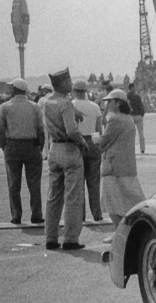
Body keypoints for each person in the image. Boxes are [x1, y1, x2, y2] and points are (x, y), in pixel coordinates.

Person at [42, 68, 91, 251]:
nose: (70, 84)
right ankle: (70, 238)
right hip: (69, 148)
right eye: (68, 82)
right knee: (73, 197)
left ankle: (51, 237)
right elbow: (71, 130)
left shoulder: (46, 101)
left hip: (54, 148)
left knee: (53, 197)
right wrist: (82, 143)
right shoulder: (66, 104)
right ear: (62, 84)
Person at [97, 89, 145, 243]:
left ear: (118, 103)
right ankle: (123, 232)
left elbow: (104, 142)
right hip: (126, 166)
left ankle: (119, 232)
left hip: (114, 166)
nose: (107, 104)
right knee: (127, 201)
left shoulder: (115, 120)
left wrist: (93, 141)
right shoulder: (128, 118)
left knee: (112, 203)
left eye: (110, 102)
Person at [0, 78, 45, 224]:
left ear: (15, 89)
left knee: (13, 183)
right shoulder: (34, 106)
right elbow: (40, 130)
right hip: (31, 146)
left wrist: (4, 146)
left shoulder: (5, 107)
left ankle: (16, 215)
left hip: (12, 145)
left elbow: (1, 130)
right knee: (34, 183)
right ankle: (36, 214)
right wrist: (40, 146)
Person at [72, 80, 103, 222]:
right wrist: (97, 146)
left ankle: (81, 215)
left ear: (74, 91)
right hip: (92, 141)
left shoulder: (71, 106)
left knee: (79, 183)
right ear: (85, 91)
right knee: (94, 182)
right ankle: (97, 213)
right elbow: (98, 130)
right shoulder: (95, 106)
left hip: (77, 143)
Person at [127, 83, 146, 154]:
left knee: (130, 134)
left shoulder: (126, 96)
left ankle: (130, 148)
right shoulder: (137, 96)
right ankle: (142, 148)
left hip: (130, 116)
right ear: (132, 88)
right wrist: (141, 114)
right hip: (138, 115)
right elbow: (141, 106)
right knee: (141, 133)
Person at [37, 84, 53, 160]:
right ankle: (52, 155)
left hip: (44, 121)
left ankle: (45, 155)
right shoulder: (55, 98)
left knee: (45, 139)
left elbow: (38, 111)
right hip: (53, 122)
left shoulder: (42, 100)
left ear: (46, 90)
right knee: (53, 139)